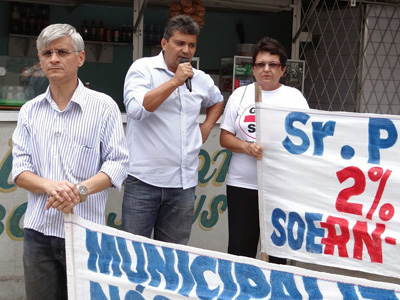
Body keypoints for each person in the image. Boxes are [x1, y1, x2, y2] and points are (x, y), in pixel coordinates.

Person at [11, 23, 129, 300]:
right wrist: (52, 186)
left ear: (80, 57)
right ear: (39, 59)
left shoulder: (104, 107)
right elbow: (20, 169)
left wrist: (79, 191)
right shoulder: (29, 111)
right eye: (46, 53)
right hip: (38, 234)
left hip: (86, 234)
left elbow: (118, 163)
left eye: (62, 52)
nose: (53, 59)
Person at [122, 15, 224, 245]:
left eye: (191, 45)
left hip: (183, 184)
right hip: (144, 182)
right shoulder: (143, 69)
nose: (186, 50)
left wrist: (206, 128)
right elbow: (138, 109)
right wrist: (174, 82)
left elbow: (217, 101)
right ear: (164, 43)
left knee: (172, 261)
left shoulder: (199, 78)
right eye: (179, 43)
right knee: (134, 257)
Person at [219, 37, 309, 262]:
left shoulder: (294, 98)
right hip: (242, 184)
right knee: (241, 250)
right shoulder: (240, 95)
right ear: (253, 68)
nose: (266, 69)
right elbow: (225, 137)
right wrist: (245, 147)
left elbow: (307, 141)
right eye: (260, 64)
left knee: (278, 253)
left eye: (273, 64)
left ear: (283, 69)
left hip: (280, 186)